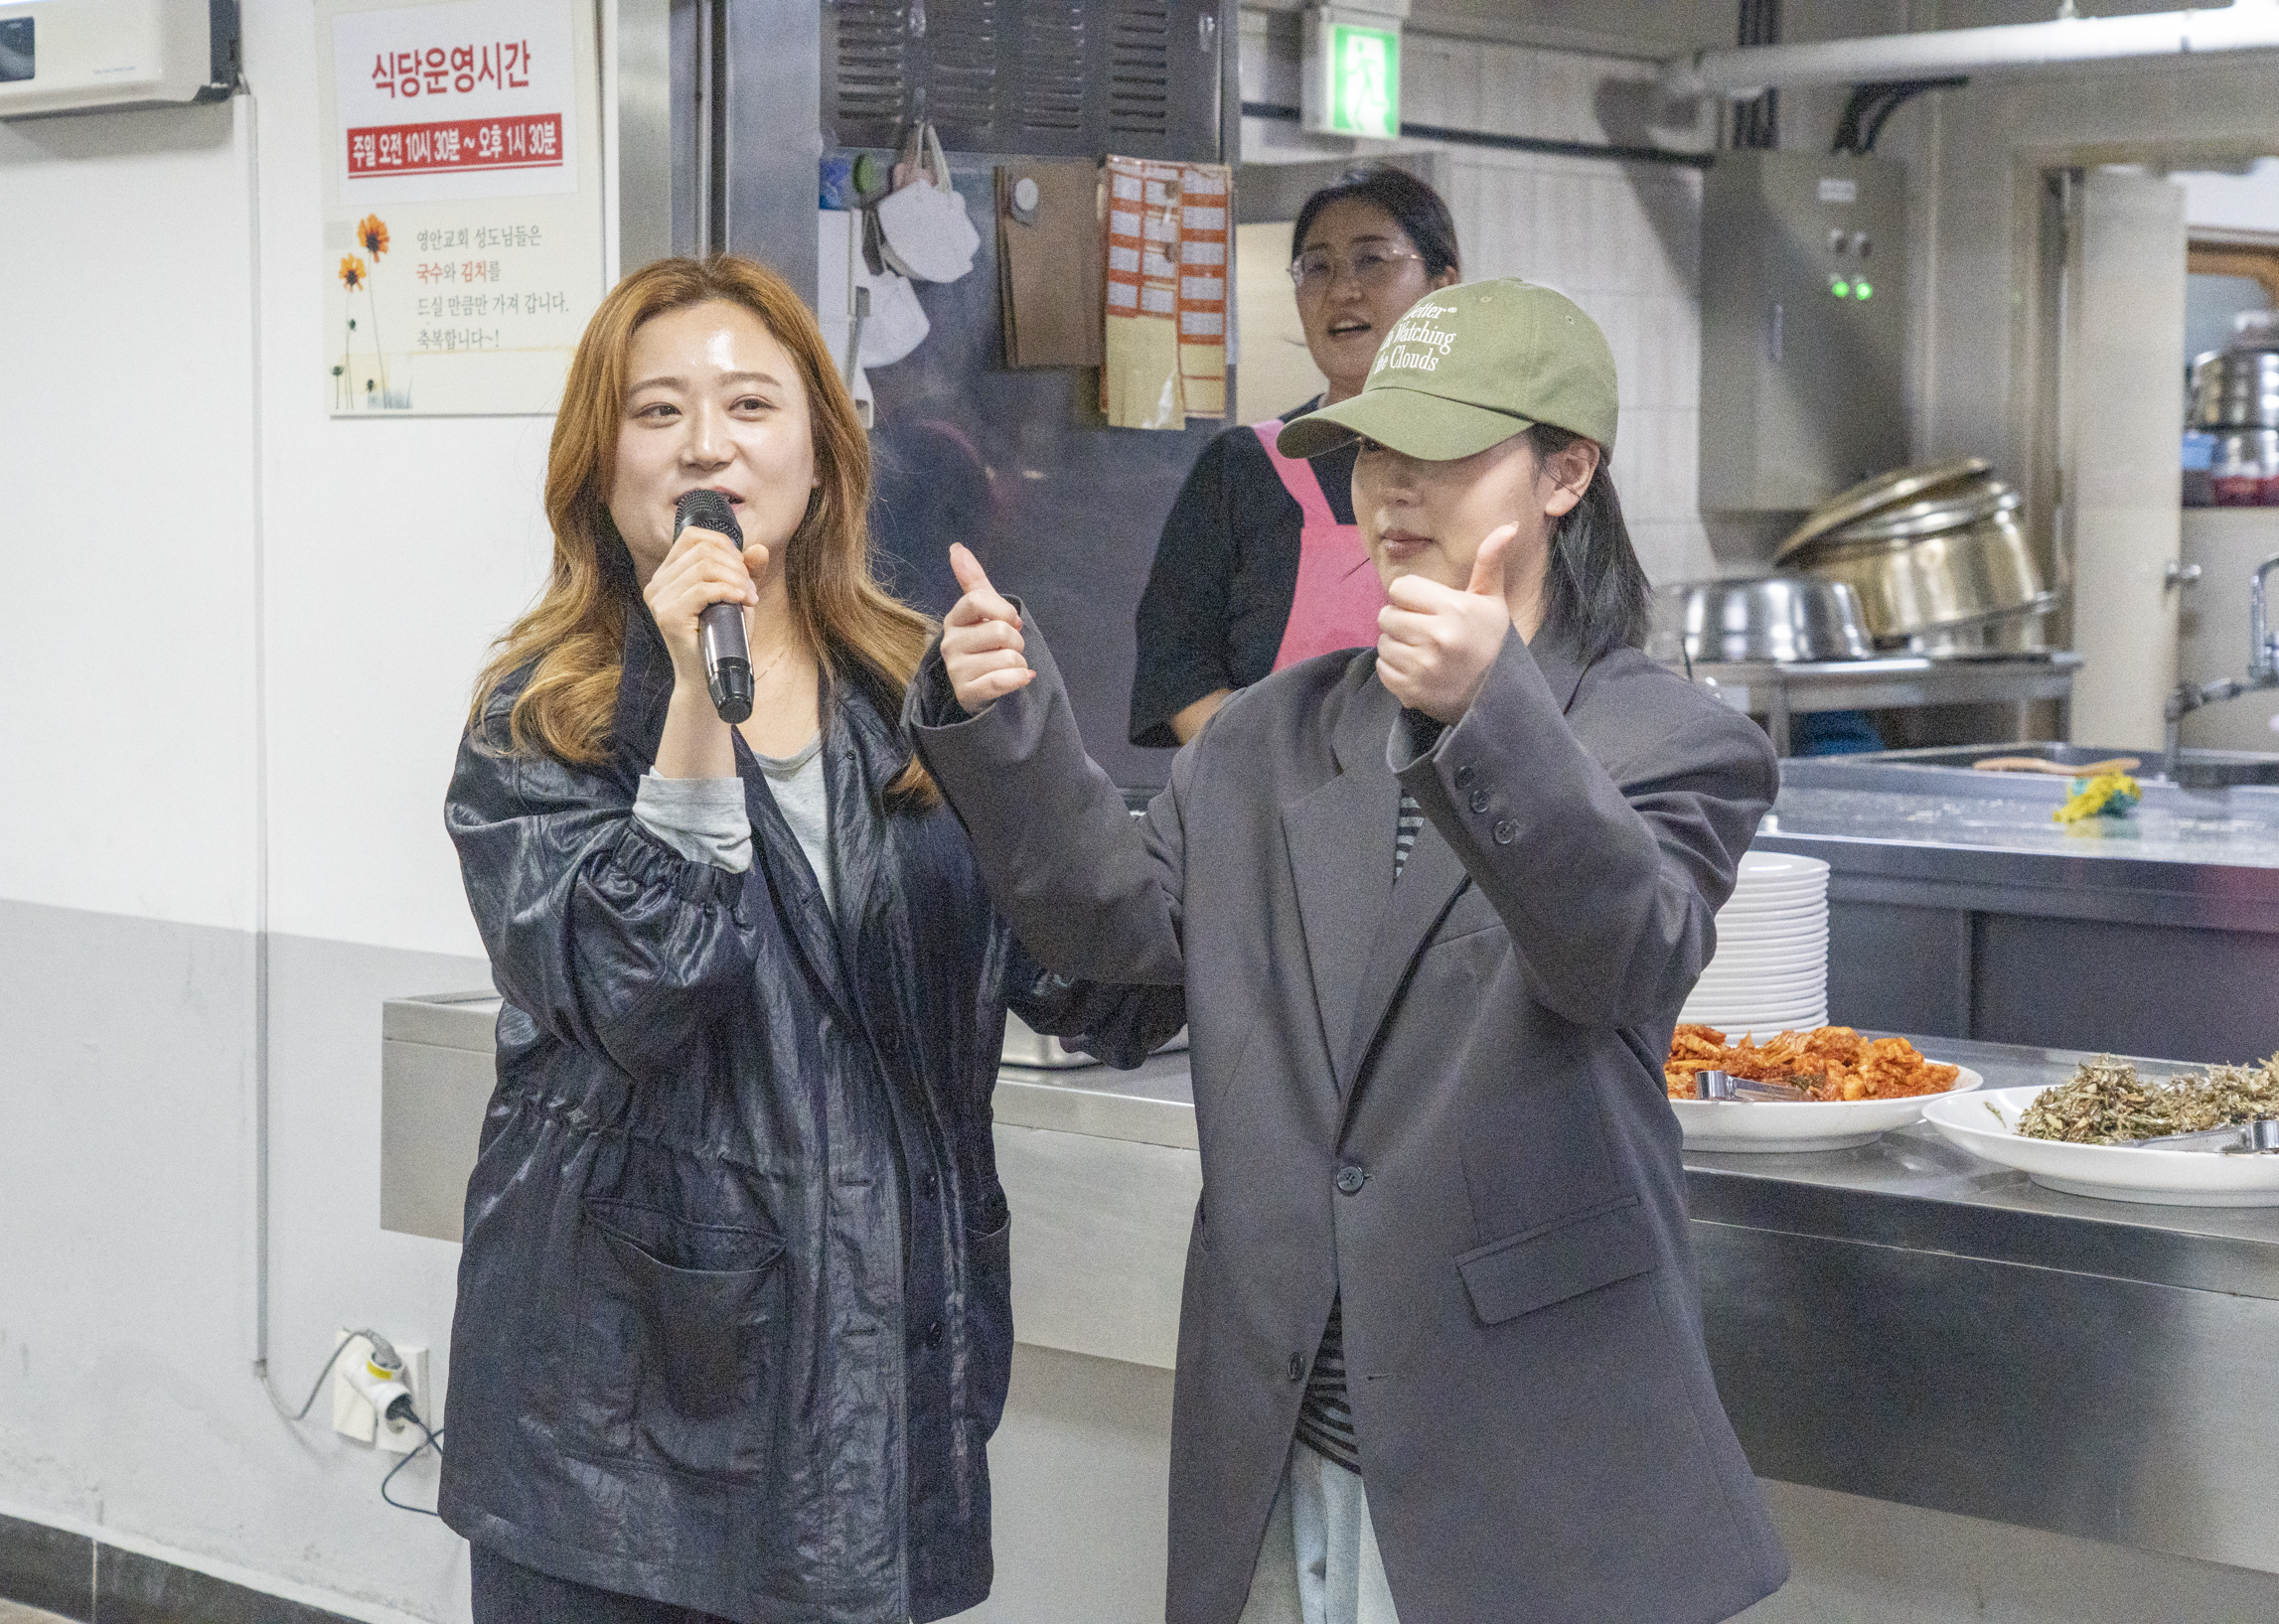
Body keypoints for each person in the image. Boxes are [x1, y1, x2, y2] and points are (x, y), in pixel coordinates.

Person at [907, 280, 1790, 1623]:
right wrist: (1005, 728)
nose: (1393, 489)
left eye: (1444, 450)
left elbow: (1620, 957)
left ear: (1566, 472)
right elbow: (1116, 942)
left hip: (1517, 1453)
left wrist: (1488, 713)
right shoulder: (1268, 733)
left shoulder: (1668, 737)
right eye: (1374, 451)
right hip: (1280, 1427)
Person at [439, 254, 1174, 1624]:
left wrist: (1019, 757)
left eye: (749, 405)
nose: (704, 444)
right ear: (600, 468)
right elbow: (640, 991)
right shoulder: (539, 721)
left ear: (824, 453)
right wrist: (690, 697)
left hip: (878, 1394)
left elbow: (1107, 989)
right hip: (615, 1435)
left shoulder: (914, 695)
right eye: (656, 411)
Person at [1129, 165, 1460, 749]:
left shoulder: (1487, 460)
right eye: (1318, 267)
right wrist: (1285, 776)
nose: (1342, 290)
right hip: (1269, 796)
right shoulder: (1243, 468)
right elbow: (1178, 667)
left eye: (1372, 260)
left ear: (1441, 286)